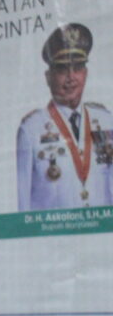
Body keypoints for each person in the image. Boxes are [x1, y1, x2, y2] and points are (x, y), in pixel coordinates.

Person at [17, 23, 113, 211]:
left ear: (85, 74)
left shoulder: (106, 121)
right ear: (48, 77)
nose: (71, 77)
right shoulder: (31, 130)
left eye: (77, 67)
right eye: (62, 69)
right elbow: (22, 203)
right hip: (54, 230)